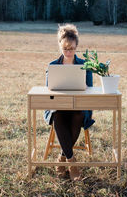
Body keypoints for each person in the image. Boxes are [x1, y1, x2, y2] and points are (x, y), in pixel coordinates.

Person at [44, 24, 94, 181]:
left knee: (78, 115)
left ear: (76, 46)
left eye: (71, 48)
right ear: (60, 45)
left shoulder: (84, 65)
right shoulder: (53, 66)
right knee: (58, 116)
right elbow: (48, 90)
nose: (68, 52)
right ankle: (72, 162)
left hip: (78, 107)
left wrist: (84, 86)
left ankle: (62, 157)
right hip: (58, 107)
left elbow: (90, 90)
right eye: (65, 48)